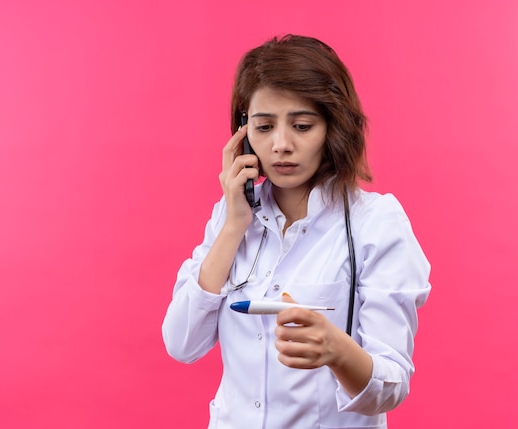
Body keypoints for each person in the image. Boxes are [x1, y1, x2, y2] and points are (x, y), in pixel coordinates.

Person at [161, 34, 431, 429]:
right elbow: (181, 344)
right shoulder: (231, 216)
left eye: (302, 126)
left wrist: (338, 351)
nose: (281, 145)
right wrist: (234, 225)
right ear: (243, 131)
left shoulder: (376, 223)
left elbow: (389, 389)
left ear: (333, 127)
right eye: (264, 126)